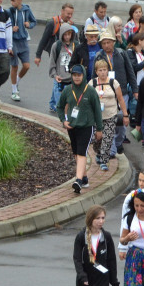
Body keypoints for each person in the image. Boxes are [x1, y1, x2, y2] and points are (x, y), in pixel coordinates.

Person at [57, 64, 103, 193]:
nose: (77, 78)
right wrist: (63, 120)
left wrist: (99, 129)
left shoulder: (90, 91)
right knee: (76, 154)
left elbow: (97, 111)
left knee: (82, 153)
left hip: (86, 127)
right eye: (74, 75)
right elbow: (60, 106)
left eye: (79, 75)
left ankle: (78, 180)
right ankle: (84, 178)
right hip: (72, 127)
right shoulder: (67, 90)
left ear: (83, 75)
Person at [90, 57, 128, 171]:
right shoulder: (92, 83)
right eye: (100, 70)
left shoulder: (113, 82)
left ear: (108, 70)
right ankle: (98, 153)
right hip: (96, 116)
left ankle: (103, 160)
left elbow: (121, 99)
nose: (102, 72)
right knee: (97, 138)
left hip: (111, 114)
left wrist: (125, 114)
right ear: (96, 72)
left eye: (104, 69)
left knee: (108, 137)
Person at [6, 0, 37, 101]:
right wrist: (10, 29)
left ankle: (17, 81)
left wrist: (29, 24)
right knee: (14, 66)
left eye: (13, 1)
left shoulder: (26, 9)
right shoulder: (9, 11)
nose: (12, 3)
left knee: (27, 66)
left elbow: (34, 22)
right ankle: (14, 91)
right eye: (11, 1)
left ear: (19, 0)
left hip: (23, 40)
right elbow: (4, 24)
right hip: (13, 41)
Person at [34, 2, 74, 75]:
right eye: (68, 14)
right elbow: (44, 40)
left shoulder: (70, 24)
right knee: (59, 73)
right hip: (56, 53)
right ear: (62, 11)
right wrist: (38, 56)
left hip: (67, 53)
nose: (70, 16)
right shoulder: (52, 23)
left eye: (71, 14)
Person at [47, 23, 77, 117]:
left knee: (70, 101)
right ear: (61, 35)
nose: (67, 37)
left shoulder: (75, 45)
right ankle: (62, 118)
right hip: (59, 78)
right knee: (61, 104)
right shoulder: (56, 46)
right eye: (65, 34)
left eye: (69, 34)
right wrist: (54, 74)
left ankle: (52, 104)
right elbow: (52, 61)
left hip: (71, 77)